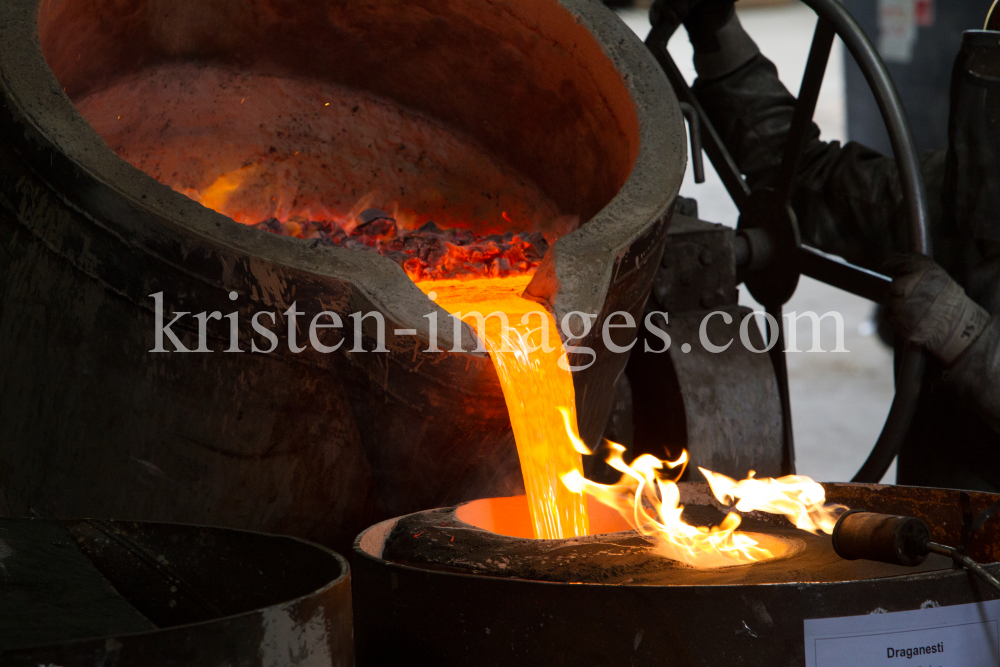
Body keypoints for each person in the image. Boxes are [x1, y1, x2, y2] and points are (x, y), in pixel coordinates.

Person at [649, 0, 1000, 491]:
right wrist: (718, 37)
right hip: (939, 534)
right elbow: (809, 182)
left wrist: (967, 338)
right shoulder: (956, 193)